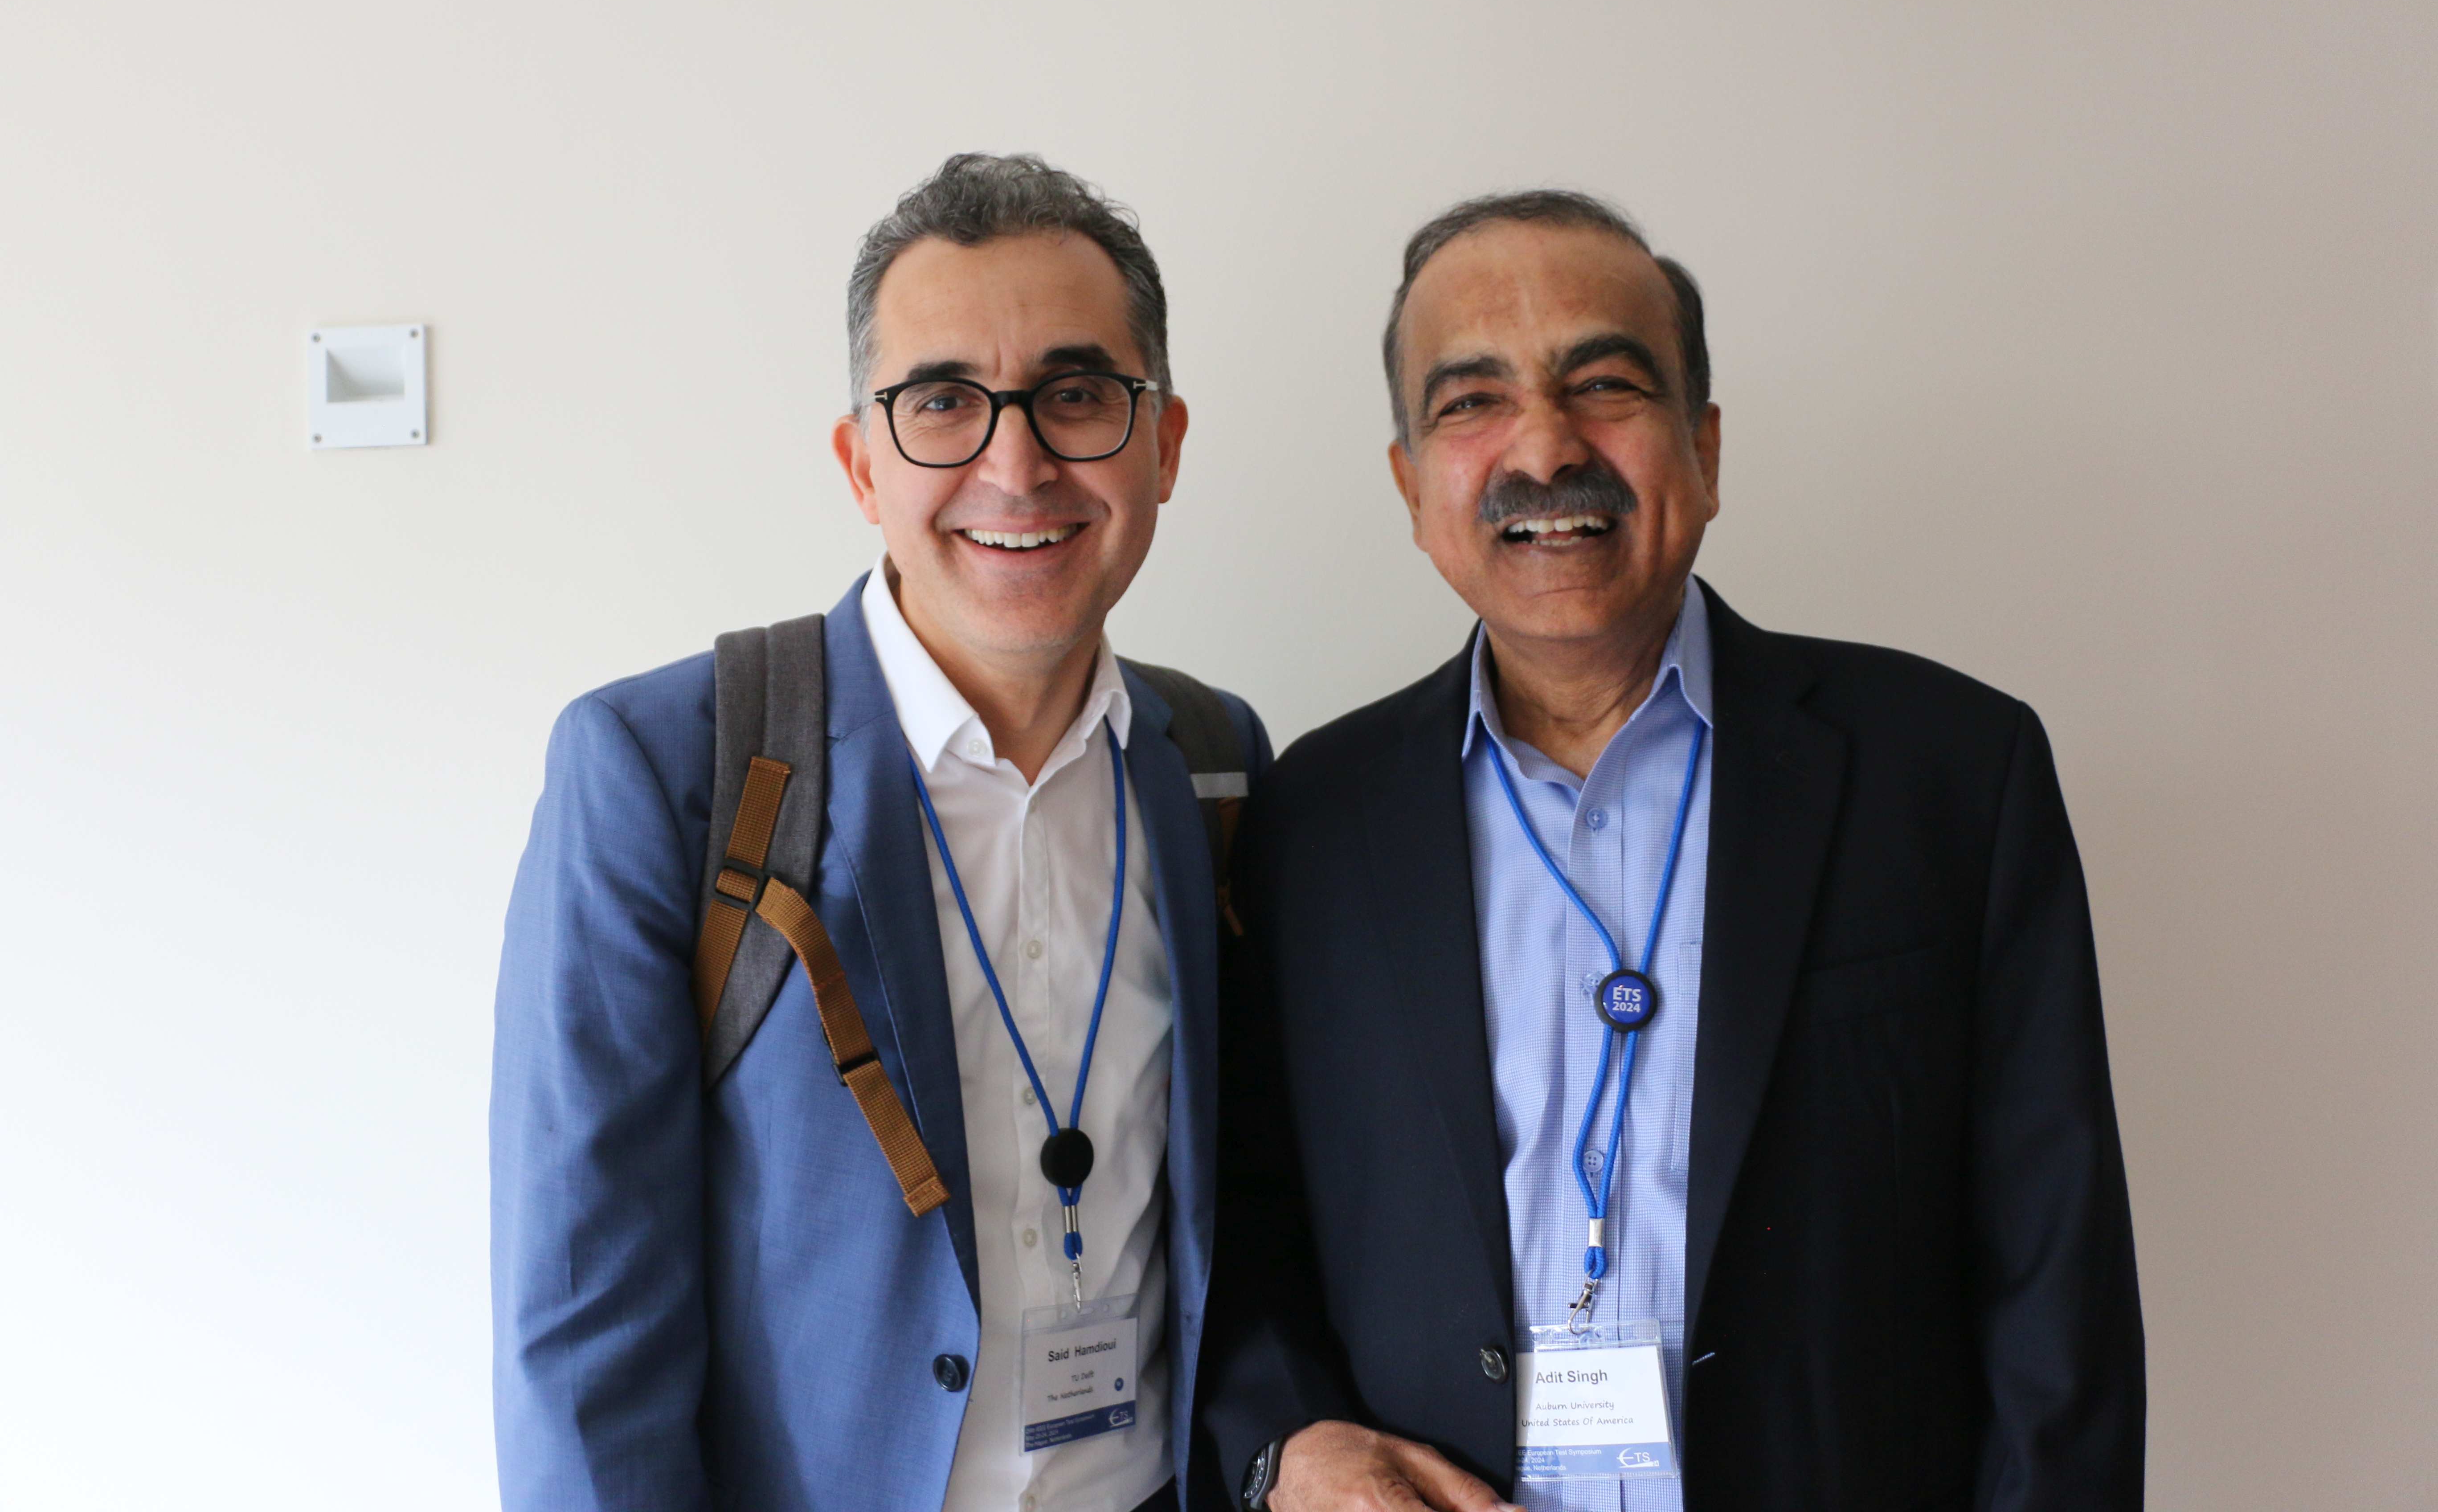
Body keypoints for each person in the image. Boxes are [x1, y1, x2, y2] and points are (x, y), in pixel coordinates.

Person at [1199, 191, 2143, 1512]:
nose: (1545, 447)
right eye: (1472, 402)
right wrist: (1285, 1443)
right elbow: (1244, 1219)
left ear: (1702, 447)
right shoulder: (1315, 816)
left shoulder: (1950, 775)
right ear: (1413, 485)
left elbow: (2058, 1282)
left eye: (1605, 385)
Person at [492, 153, 1266, 1512]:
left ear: (1165, 444)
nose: (1015, 466)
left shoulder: (1214, 762)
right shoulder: (666, 770)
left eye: (1078, 395)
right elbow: (580, 1331)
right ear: (862, 463)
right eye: (944, 403)